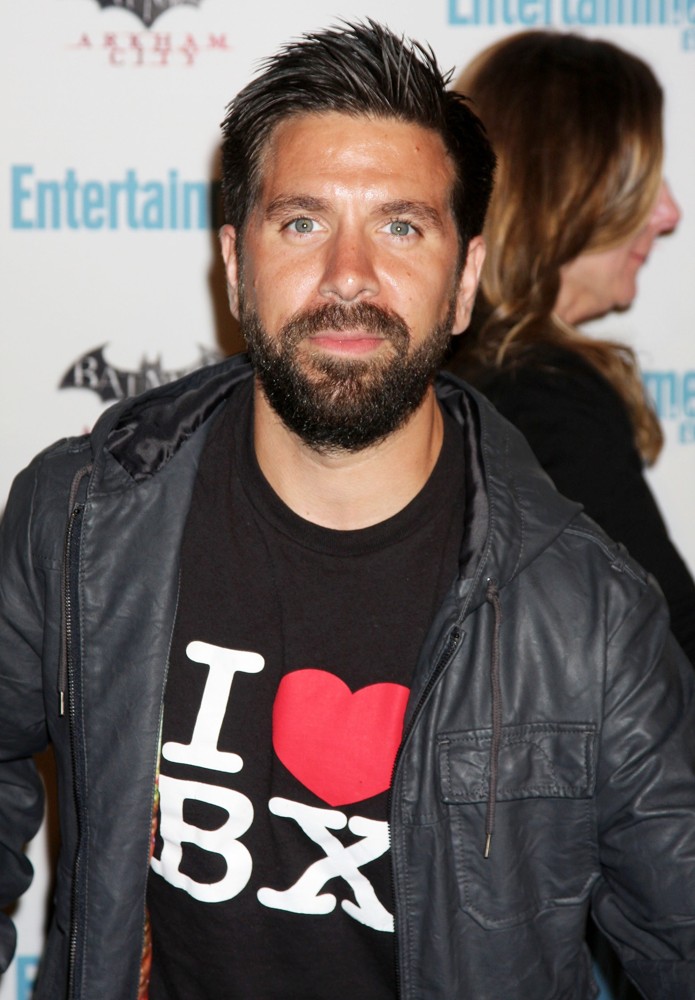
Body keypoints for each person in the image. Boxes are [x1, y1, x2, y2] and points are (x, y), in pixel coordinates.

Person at [0, 20, 694, 1000]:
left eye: (400, 227)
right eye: (302, 223)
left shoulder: (583, 613)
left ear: (463, 282)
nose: (349, 277)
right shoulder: (79, 518)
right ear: (234, 264)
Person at [447, 30, 695, 665]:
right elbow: (668, 661)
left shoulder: (469, 377)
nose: (668, 213)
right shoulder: (543, 396)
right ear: (561, 190)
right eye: (639, 183)